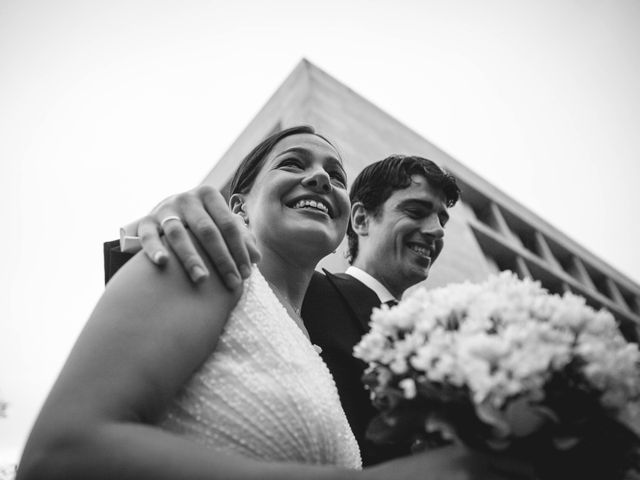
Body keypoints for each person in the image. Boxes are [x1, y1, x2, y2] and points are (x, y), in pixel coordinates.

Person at [17, 126, 510, 480]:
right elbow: (62, 454)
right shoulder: (204, 259)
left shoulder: (306, 344)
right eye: (294, 164)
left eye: (335, 175)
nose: (320, 179)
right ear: (235, 207)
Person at [104, 152, 460, 466]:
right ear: (361, 220)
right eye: (416, 211)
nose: (435, 231)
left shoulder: (444, 342)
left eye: (442, 220)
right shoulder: (294, 288)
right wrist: (169, 220)